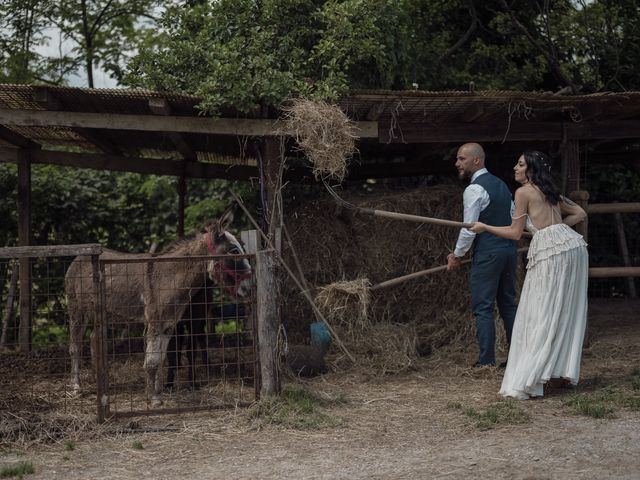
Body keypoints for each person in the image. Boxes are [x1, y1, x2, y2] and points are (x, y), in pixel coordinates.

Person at [470, 150, 588, 399]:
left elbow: (514, 233)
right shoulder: (550, 190)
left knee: (541, 310)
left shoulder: (523, 192)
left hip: (550, 252)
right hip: (573, 247)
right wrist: (557, 231)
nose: (515, 167)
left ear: (531, 170)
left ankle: (537, 373)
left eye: (520, 164)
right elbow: (580, 213)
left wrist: (484, 227)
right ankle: (558, 373)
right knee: (565, 309)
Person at [447, 143, 518, 367]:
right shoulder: (502, 185)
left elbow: (469, 227)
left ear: (477, 161)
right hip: (509, 251)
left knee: (483, 307)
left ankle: (486, 361)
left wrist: (456, 255)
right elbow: (514, 215)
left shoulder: (474, 189)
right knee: (508, 304)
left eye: (461, 159)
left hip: (488, 253)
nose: (457, 163)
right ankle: (518, 359)